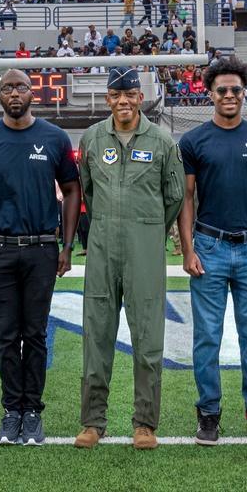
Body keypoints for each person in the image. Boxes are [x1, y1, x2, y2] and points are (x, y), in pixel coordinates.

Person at [0, 69, 81, 447]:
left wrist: (66, 246)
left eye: (20, 87)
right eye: (6, 88)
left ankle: (32, 411)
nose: (14, 93)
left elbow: (71, 190)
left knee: (34, 335)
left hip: (41, 249)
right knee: (6, 335)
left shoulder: (55, 137)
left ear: (34, 94)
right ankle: (11, 410)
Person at [74, 67, 184, 450]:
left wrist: (148, 228)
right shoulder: (91, 138)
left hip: (144, 249)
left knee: (148, 339)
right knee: (96, 336)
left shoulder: (162, 141)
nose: (124, 100)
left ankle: (144, 424)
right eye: (116, 95)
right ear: (108, 99)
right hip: (103, 248)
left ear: (141, 98)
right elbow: (88, 191)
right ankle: (92, 423)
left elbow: (175, 196)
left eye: (131, 94)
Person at [176, 58, 247, 447]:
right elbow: (187, 198)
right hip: (209, 245)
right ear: (210, 93)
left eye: (236, 89)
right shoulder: (193, 141)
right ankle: (208, 413)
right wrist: (188, 249)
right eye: (222, 89)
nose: (230, 95)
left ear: (244, 92)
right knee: (207, 337)